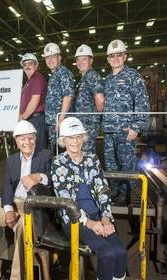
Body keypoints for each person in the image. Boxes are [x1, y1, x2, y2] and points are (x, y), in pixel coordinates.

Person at [0, 120, 52, 280]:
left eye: (30, 138)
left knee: (23, 227)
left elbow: (54, 179)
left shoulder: (46, 155)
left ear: (35, 139)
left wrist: (39, 176)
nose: (27, 142)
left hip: (34, 206)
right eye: (22, 139)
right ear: (16, 141)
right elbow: (7, 187)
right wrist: (9, 210)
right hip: (15, 202)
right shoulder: (12, 160)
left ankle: (17, 276)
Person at [52, 117, 127, 280]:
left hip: (98, 216)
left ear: (83, 138)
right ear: (63, 140)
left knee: (120, 252)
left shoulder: (92, 159)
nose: (75, 141)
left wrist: (106, 218)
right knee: (106, 253)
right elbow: (66, 202)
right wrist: (89, 223)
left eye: (78, 136)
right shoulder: (58, 163)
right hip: (74, 219)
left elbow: (103, 189)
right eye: (70, 137)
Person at [102, 39, 150, 205]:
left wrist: (136, 127)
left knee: (126, 164)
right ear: (108, 59)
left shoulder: (132, 76)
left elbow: (142, 103)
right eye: (112, 55)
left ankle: (126, 195)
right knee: (110, 163)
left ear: (125, 57)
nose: (115, 58)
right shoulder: (107, 79)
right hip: (109, 130)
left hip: (125, 130)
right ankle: (114, 191)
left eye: (119, 55)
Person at [42, 42, 74, 151]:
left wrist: (61, 120)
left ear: (59, 57)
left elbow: (68, 96)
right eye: (47, 58)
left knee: (62, 153)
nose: (50, 60)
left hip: (60, 123)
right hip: (53, 123)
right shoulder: (54, 75)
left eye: (53, 57)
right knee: (55, 153)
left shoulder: (63, 73)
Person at [74, 44, 104, 153]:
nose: (80, 62)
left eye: (84, 59)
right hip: (84, 124)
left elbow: (100, 101)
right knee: (83, 153)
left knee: (87, 154)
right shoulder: (84, 77)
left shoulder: (92, 76)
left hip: (88, 124)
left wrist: (94, 119)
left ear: (91, 60)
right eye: (78, 59)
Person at [20, 53, 47, 150]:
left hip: (35, 120)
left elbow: (34, 101)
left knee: (38, 150)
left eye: (30, 63)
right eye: (25, 64)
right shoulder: (28, 81)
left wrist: (23, 117)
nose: (27, 66)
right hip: (30, 119)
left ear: (36, 65)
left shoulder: (37, 78)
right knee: (31, 149)